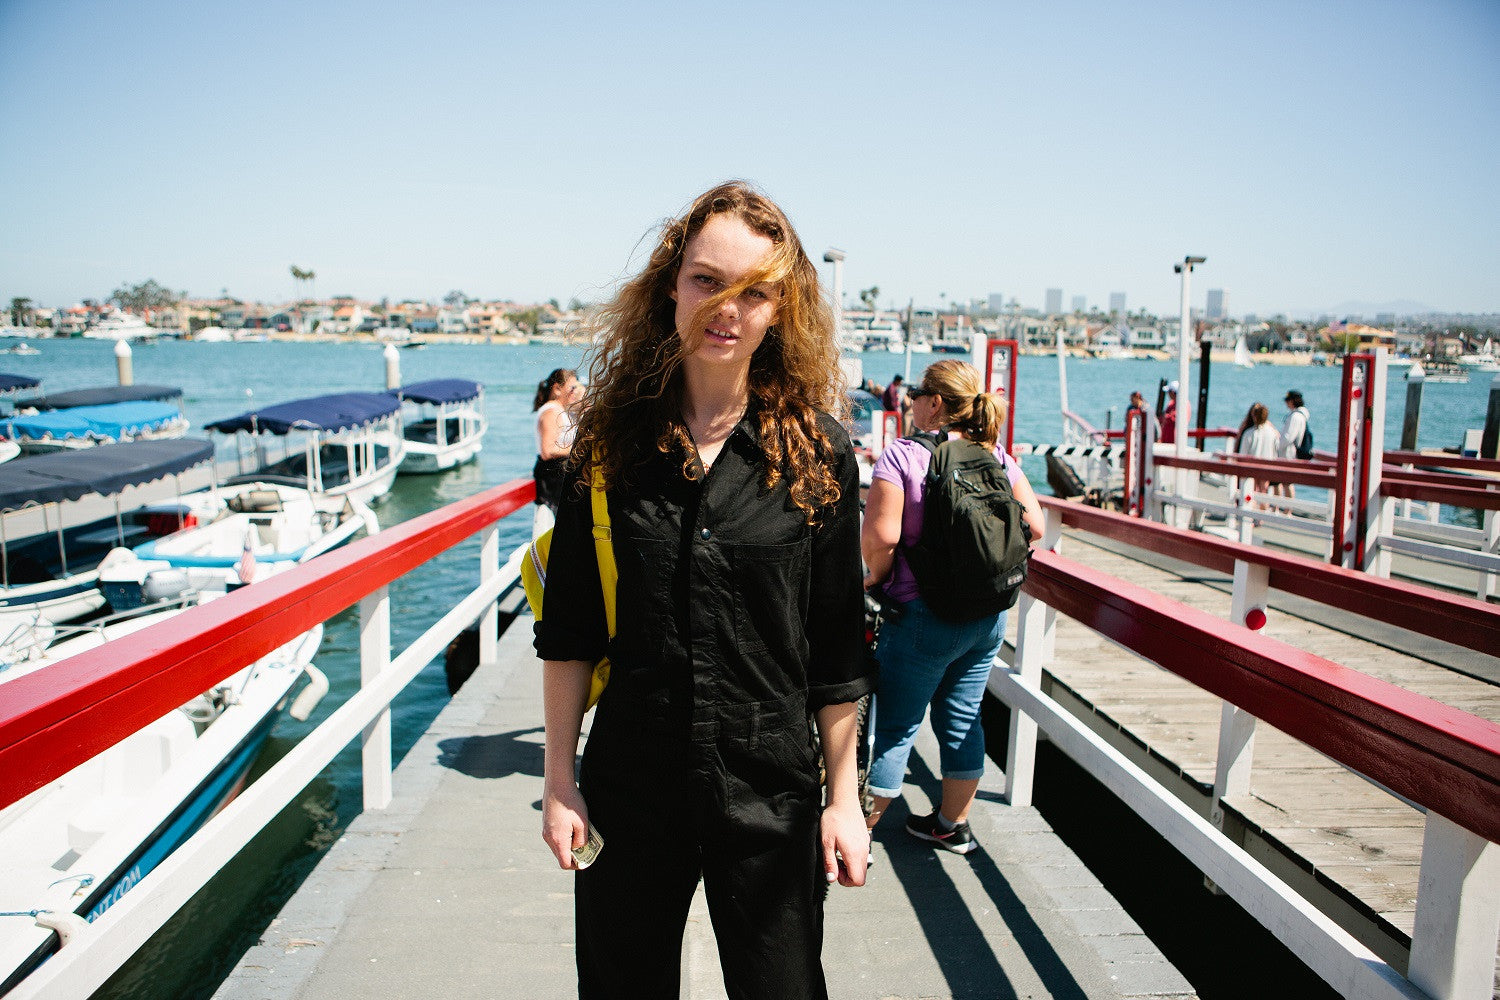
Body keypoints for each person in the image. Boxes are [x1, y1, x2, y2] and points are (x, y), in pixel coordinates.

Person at [537, 182, 872, 1000]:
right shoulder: (611, 445)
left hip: (770, 789)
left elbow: (835, 645)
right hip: (632, 781)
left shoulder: (816, 455)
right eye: (705, 281)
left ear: (780, 309)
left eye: (753, 290)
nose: (726, 309)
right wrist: (557, 780)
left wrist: (845, 800)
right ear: (670, 285)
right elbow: (571, 628)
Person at [859, 359, 1044, 853]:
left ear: (935, 403)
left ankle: (860, 837)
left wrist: (875, 578)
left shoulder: (903, 457)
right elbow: (1037, 526)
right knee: (963, 717)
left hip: (921, 615)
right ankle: (952, 825)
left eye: (919, 392)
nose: (912, 399)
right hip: (986, 616)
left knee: (896, 725)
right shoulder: (997, 457)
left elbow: (882, 537)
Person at [532, 368, 581, 538]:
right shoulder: (551, 412)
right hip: (553, 479)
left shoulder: (562, 410)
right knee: (558, 530)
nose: (575, 392)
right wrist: (579, 449)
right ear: (557, 389)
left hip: (560, 477)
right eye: (572, 388)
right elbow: (548, 450)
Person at [1235, 402, 1282, 504]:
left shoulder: (1249, 433)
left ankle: (1251, 513)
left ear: (1254, 416)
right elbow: (1276, 449)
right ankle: (1261, 516)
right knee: (1264, 491)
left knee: (1252, 491)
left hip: (1252, 466)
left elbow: (1243, 453)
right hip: (1267, 465)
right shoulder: (1272, 432)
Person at [1280, 390, 1311, 498]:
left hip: (1289, 453)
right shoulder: (1299, 415)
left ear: (1293, 401)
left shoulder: (1295, 417)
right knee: (1286, 482)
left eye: (1288, 400)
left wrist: (1277, 446)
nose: (1286, 403)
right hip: (1291, 453)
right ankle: (1287, 507)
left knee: (1287, 482)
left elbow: (1288, 437)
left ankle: (1288, 508)